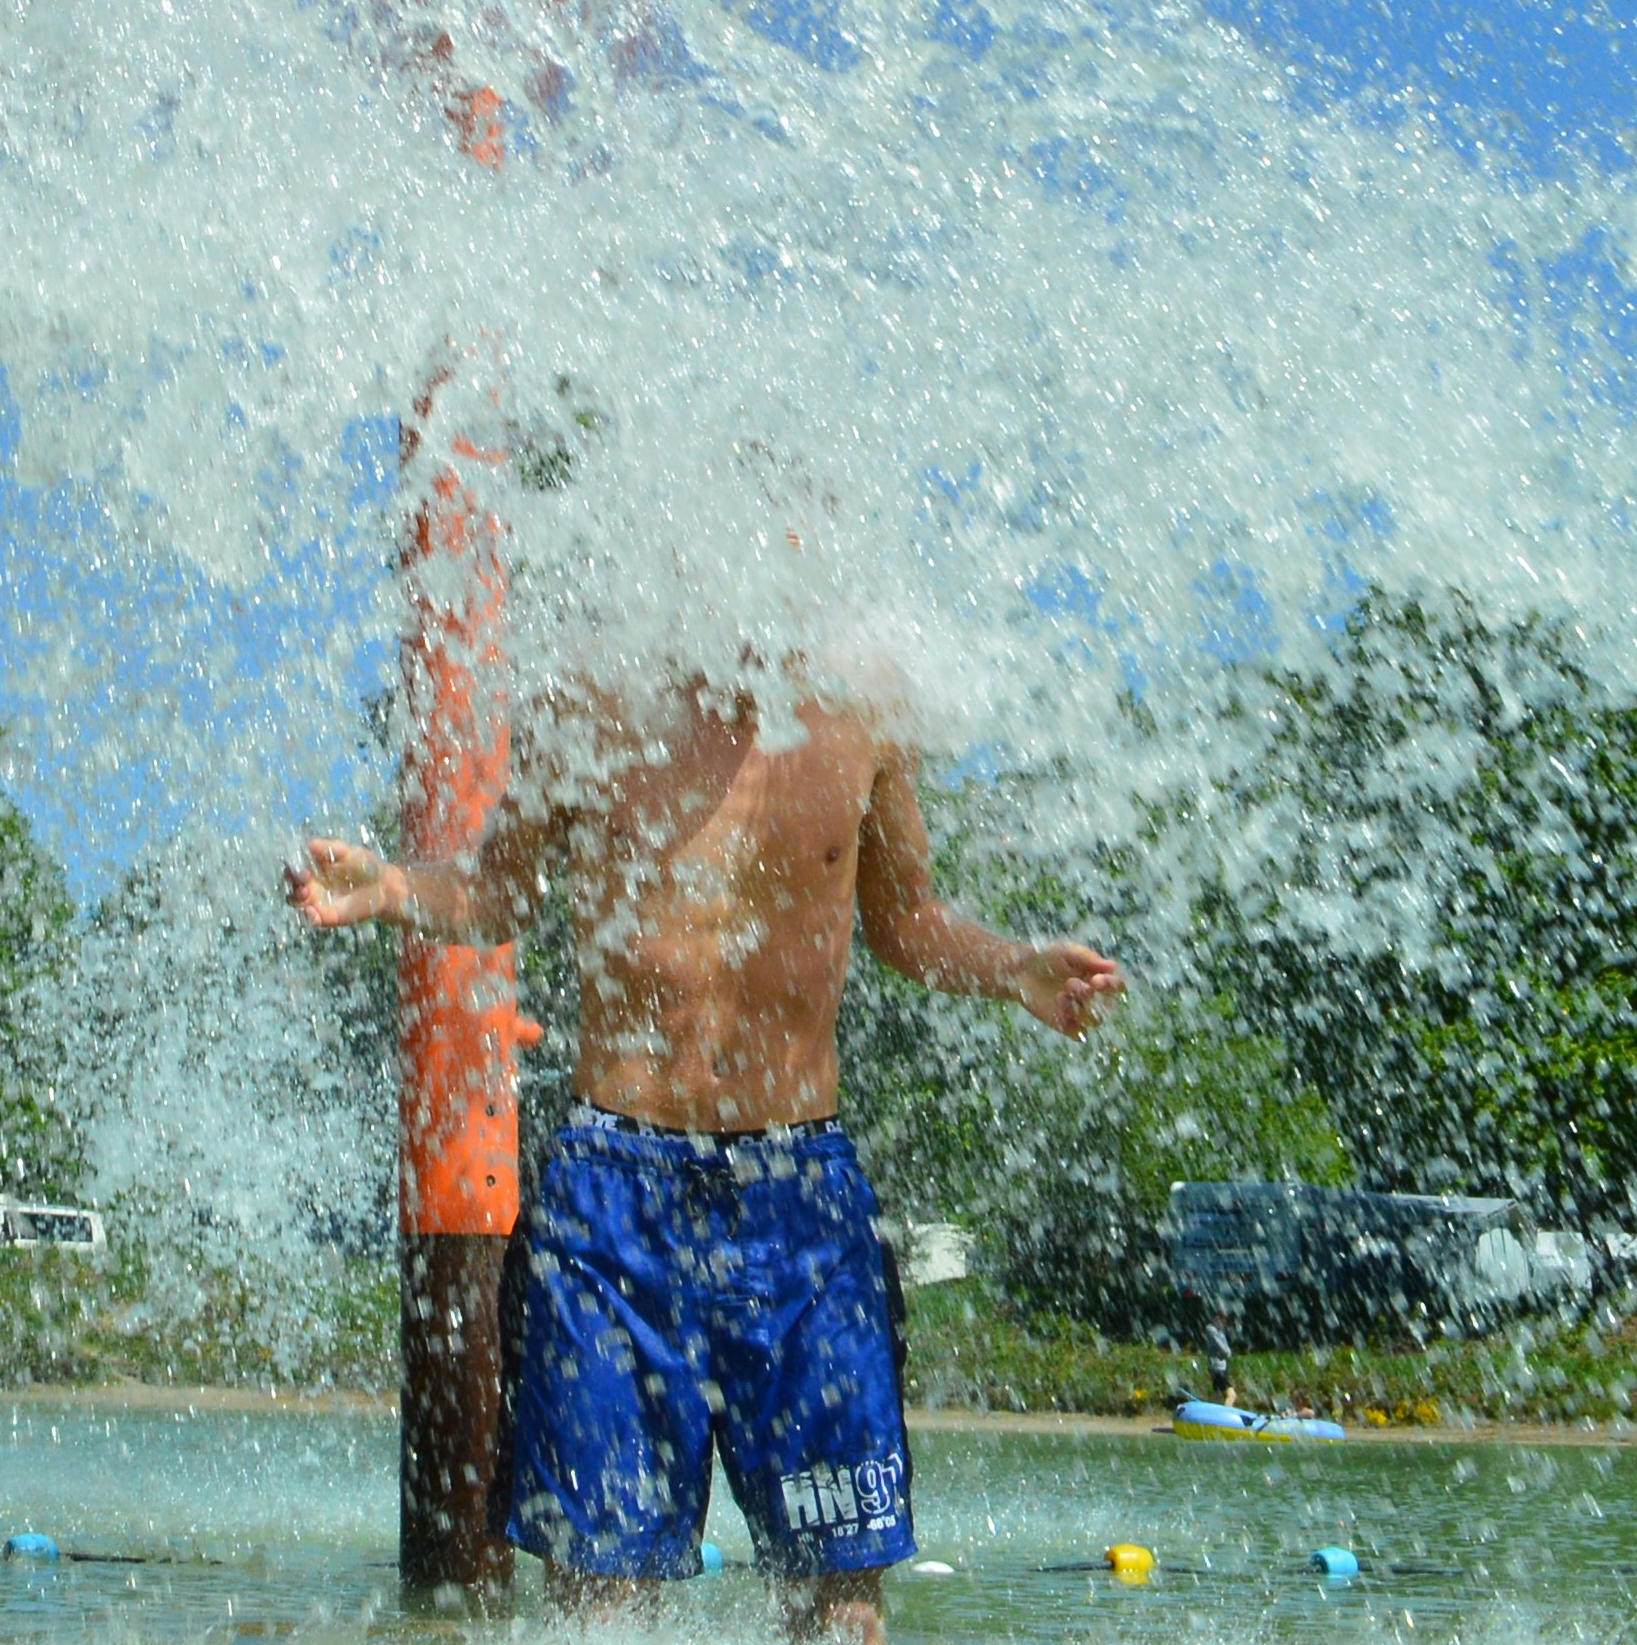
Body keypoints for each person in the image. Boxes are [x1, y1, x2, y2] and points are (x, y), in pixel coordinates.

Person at [293, 674, 1124, 1630]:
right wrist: (394, 887)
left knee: (839, 1604)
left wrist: (1011, 967)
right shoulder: (591, 704)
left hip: (801, 1197)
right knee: (600, 1599)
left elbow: (905, 918)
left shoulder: (868, 710)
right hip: (613, 1195)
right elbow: (497, 891)